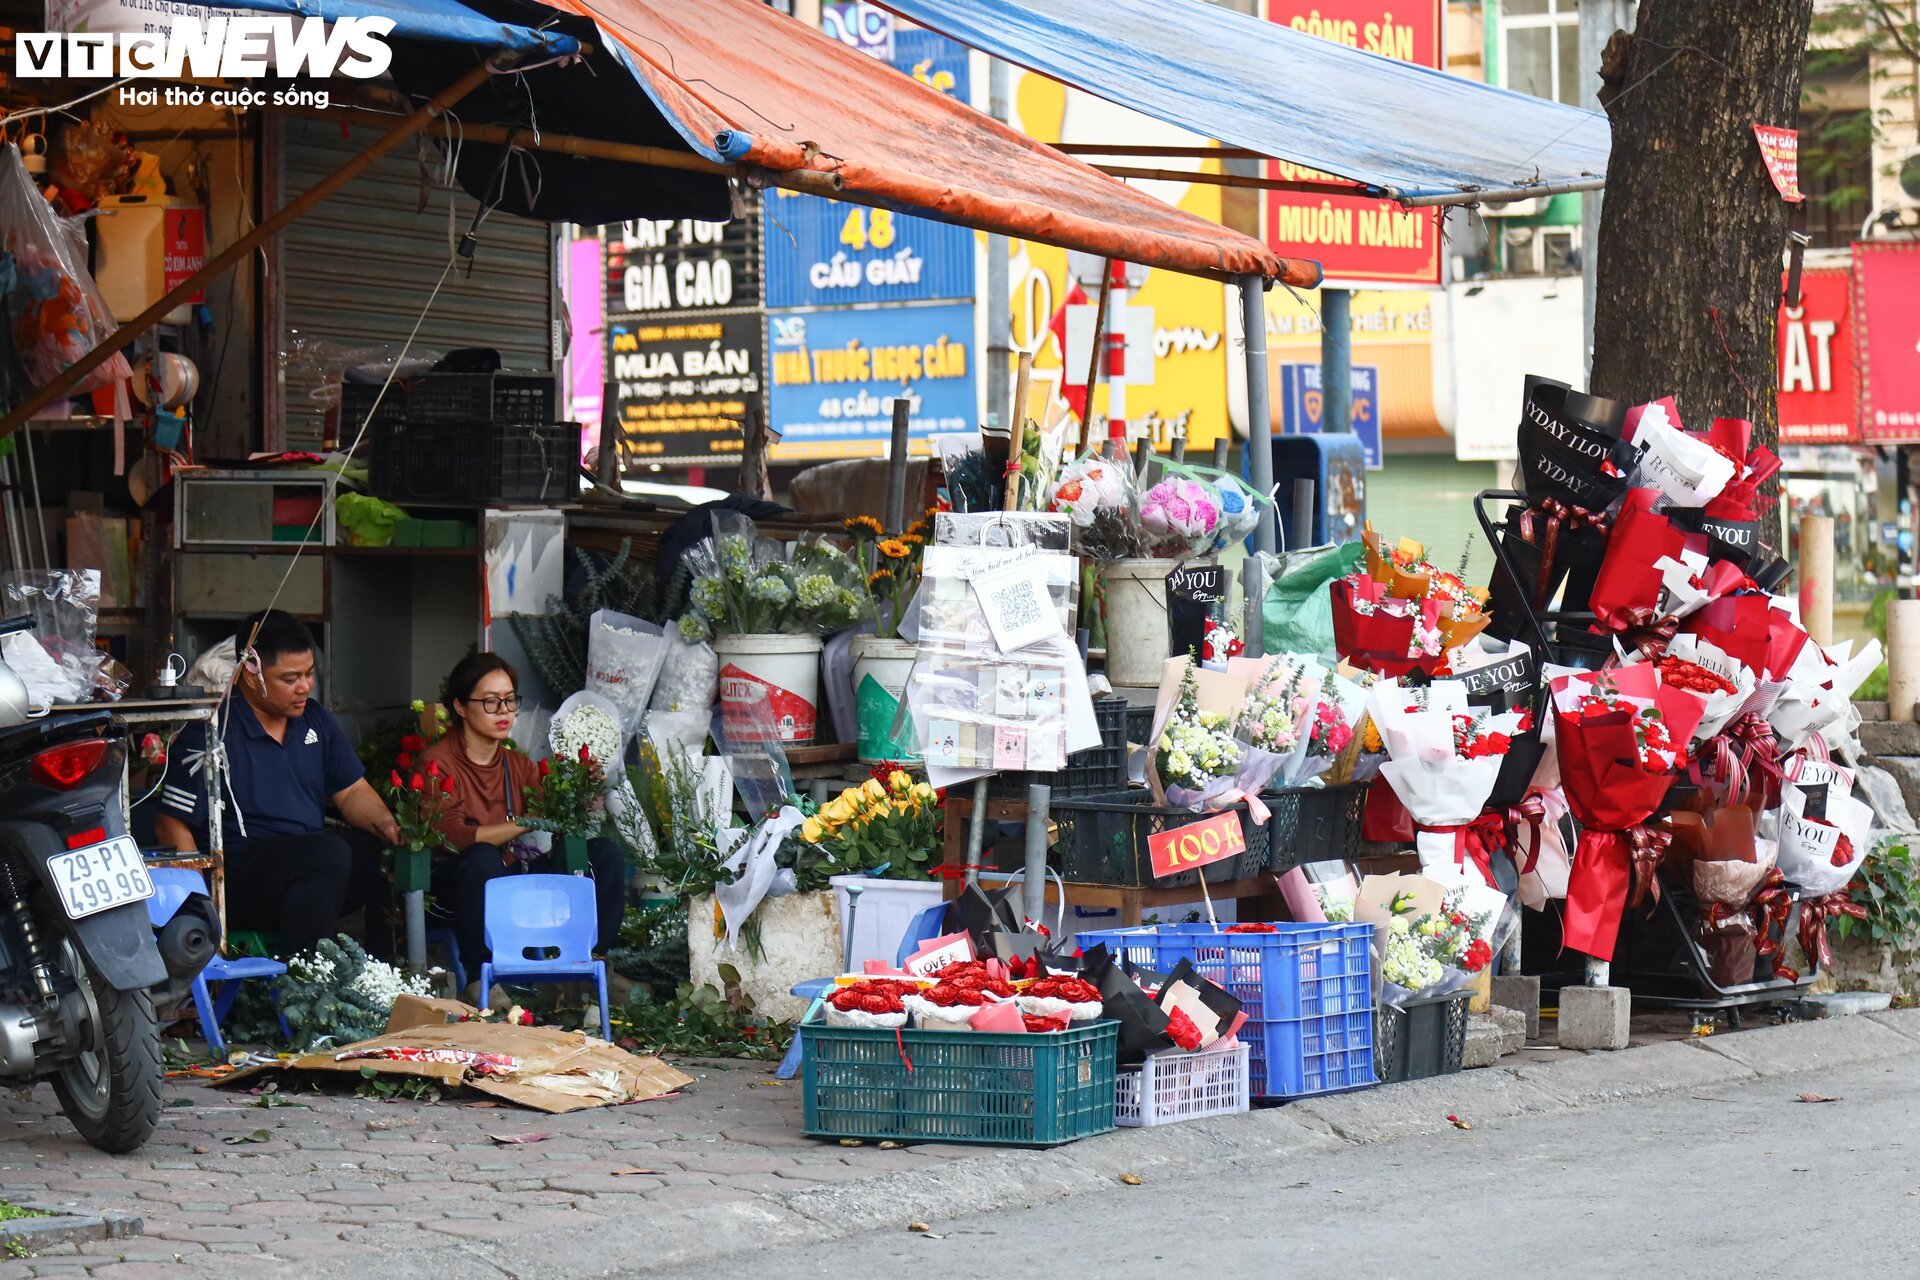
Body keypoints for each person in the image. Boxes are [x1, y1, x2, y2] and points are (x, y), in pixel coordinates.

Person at [156, 610, 398, 955]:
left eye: (309, 674)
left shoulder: (314, 719)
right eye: (290, 678)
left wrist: (389, 824)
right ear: (251, 674)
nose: (305, 686)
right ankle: (306, 978)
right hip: (241, 877)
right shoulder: (209, 731)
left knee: (378, 855)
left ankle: (384, 976)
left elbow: (352, 791)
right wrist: (202, 908)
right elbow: (171, 824)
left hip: (311, 869)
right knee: (326, 853)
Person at [419, 653, 626, 979]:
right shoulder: (438, 762)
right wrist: (525, 822)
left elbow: (555, 807)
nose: (503, 711)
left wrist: (583, 792)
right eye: (490, 702)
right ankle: (482, 978)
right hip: (454, 890)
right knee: (482, 858)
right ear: (460, 707)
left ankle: (591, 966)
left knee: (603, 854)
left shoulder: (517, 764)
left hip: (508, 879)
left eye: (510, 700)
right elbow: (452, 837)